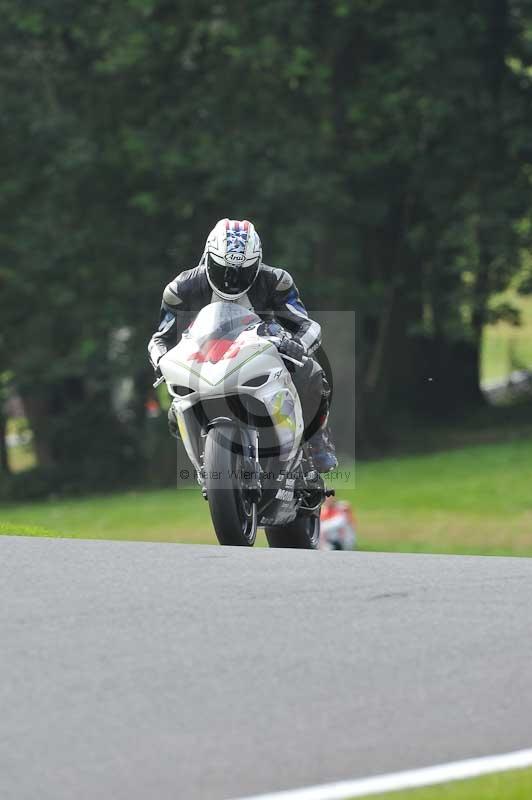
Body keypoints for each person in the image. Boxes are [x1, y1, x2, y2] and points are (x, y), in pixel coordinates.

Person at [148, 219, 337, 472]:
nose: (232, 281)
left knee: (311, 372)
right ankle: (205, 463)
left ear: (257, 263)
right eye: (223, 270)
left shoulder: (276, 280)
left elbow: (307, 325)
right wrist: (161, 361)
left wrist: (297, 345)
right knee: (173, 411)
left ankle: (317, 442)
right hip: (205, 360)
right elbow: (160, 338)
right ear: (208, 258)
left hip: (262, 352)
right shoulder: (180, 289)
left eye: (242, 272)